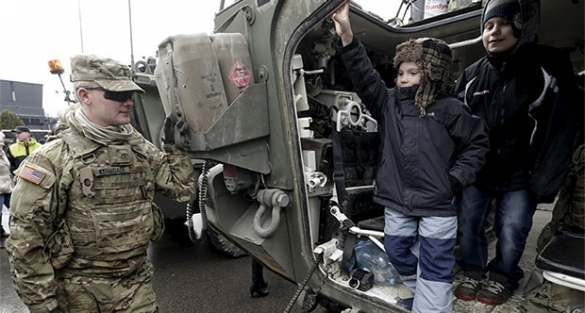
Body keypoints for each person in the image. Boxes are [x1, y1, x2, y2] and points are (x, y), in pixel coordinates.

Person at [6, 54, 198, 313]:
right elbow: (26, 238)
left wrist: (174, 144)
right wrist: (44, 304)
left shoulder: (138, 146)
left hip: (136, 284)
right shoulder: (53, 158)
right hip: (79, 294)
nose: (129, 102)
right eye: (118, 95)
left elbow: (182, 190)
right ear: (84, 95)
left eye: (130, 94)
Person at [332, 2, 490, 312]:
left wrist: (455, 179)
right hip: (397, 200)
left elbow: (478, 144)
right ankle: (427, 298)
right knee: (396, 249)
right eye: (401, 72)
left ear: (432, 74)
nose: (402, 78)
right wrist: (347, 35)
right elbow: (364, 76)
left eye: (412, 72)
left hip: (438, 204)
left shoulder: (450, 109)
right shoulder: (389, 104)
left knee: (434, 265)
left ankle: (431, 306)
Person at [452, 0, 578, 306]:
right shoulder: (470, 76)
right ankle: (471, 269)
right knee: (468, 223)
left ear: (521, 26)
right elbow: (454, 126)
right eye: (488, 26)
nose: (494, 32)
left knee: (511, 229)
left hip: (522, 173)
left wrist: (547, 177)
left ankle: (502, 276)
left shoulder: (544, 69)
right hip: (478, 171)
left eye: (503, 23)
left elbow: (562, 125)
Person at [0, 132, 13, 239]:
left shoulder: (3, 153)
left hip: (7, 186)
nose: (2, 143)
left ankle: (14, 231)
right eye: (0, 141)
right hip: (0, 188)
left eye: (2, 141)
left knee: (15, 209)